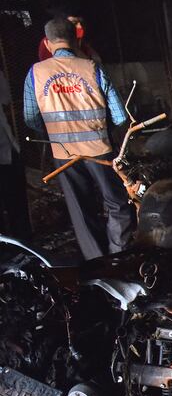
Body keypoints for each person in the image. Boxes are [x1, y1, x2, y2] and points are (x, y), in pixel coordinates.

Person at [24, 18, 134, 260]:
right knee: (116, 203)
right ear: (76, 40)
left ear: (47, 42)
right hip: (100, 150)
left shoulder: (35, 74)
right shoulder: (92, 68)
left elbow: (31, 118)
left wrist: (54, 132)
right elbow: (118, 116)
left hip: (63, 154)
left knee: (82, 211)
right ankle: (119, 256)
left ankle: (97, 264)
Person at [0, 69, 32, 240]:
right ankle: (25, 249)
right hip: (5, 150)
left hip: (6, 150)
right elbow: (6, 98)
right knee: (17, 209)